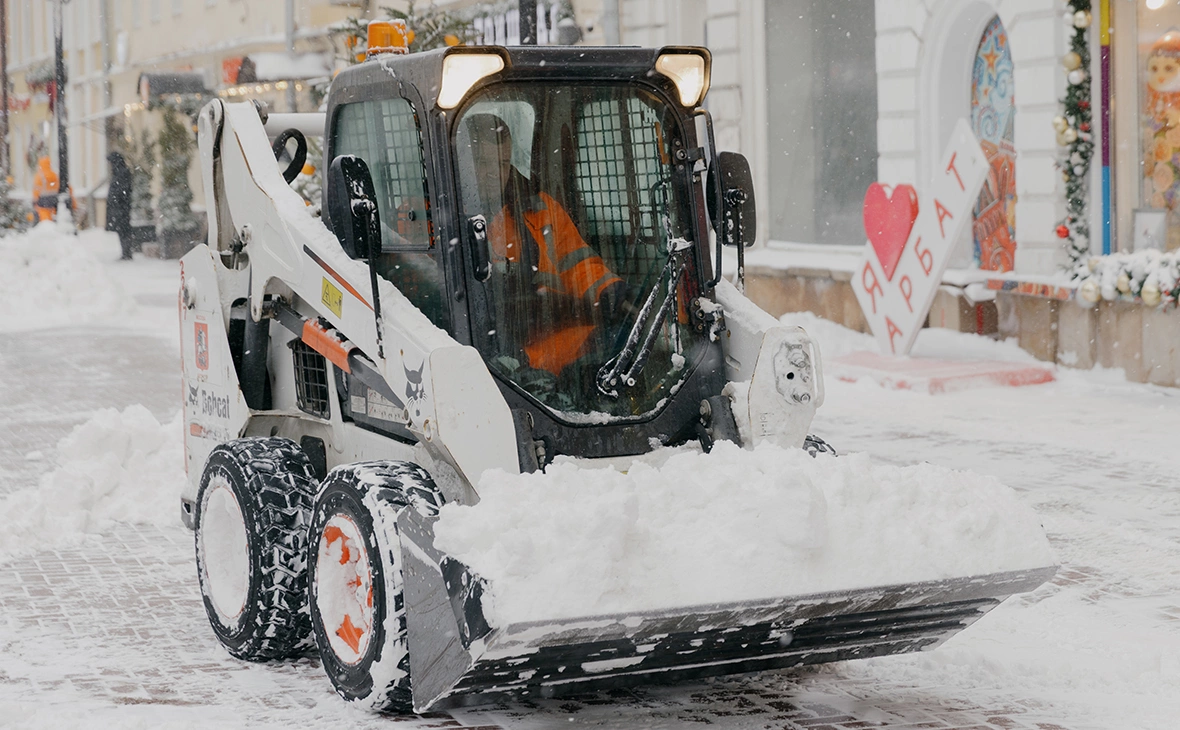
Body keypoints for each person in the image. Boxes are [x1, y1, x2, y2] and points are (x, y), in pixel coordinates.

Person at [465, 113, 626, 377]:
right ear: (462, 162)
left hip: (549, 338)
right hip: (485, 355)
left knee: (619, 343)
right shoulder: (434, 219)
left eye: (502, 163)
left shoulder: (539, 209)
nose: (495, 173)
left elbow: (576, 261)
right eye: (483, 162)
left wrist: (607, 290)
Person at [106, 151, 134, 259]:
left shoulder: (122, 173)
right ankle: (125, 252)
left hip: (122, 207)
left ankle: (127, 253)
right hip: (119, 207)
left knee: (124, 230)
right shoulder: (117, 172)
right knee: (121, 230)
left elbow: (123, 191)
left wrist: (117, 201)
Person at [31, 156, 59, 222]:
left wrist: (34, 200)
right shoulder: (54, 175)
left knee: (44, 216)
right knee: (53, 216)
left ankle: (46, 225)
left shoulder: (39, 176)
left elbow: (36, 189)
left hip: (43, 200)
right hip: (54, 199)